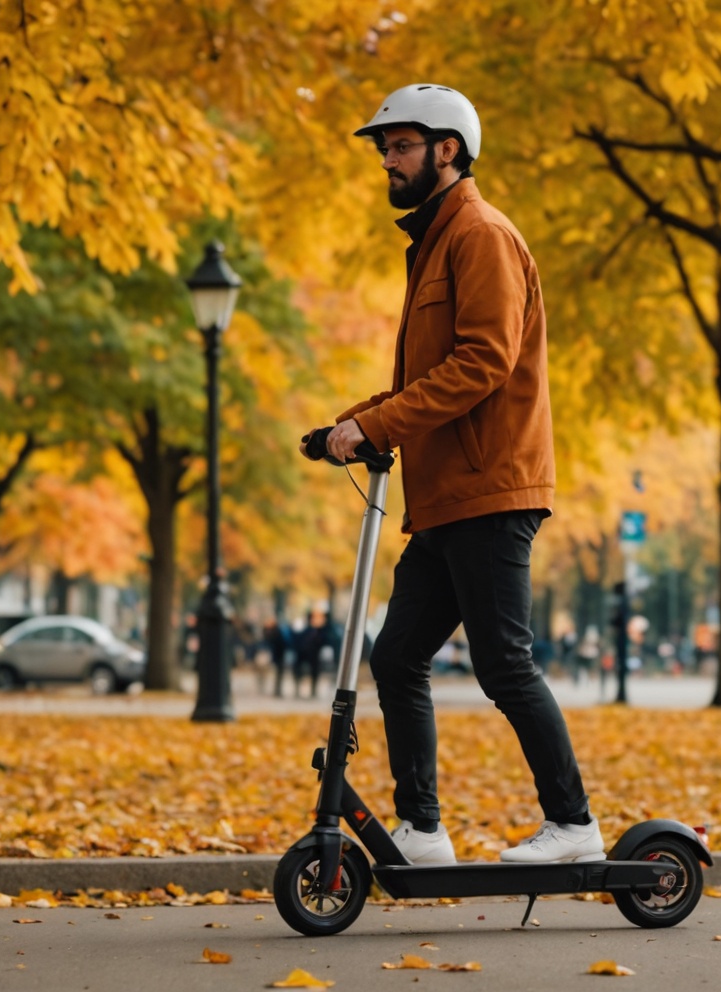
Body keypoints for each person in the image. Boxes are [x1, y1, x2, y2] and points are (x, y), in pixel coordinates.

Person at [318, 84, 595, 867]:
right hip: (444, 499)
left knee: (504, 662)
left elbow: (482, 362)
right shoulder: (435, 243)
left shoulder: (480, 235)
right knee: (397, 656)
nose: (388, 160)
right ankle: (424, 831)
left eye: (400, 145)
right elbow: (427, 375)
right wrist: (351, 421)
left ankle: (574, 826)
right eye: (383, 149)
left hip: (490, 487)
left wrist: (375, 426)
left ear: (448, 148)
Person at [293, 608, 333, 699]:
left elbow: (327, 641)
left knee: (315, 671)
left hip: (315, 654)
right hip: (303, 653)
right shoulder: (305, 629)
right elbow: (298, 639)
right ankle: (298, 690)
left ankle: (313, 691)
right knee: (298, 669)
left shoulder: (324, 630)